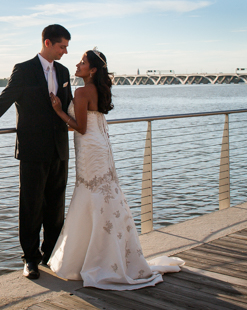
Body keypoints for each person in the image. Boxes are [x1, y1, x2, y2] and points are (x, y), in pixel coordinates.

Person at [48, 49, 183, 290]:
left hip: (89, 148)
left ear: (92, 70)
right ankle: (110, 255)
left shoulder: (81, 91)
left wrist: (58, 110)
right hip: (101, 146)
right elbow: (89, 122)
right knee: (104, 194)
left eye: (82, 62)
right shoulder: (99, 90)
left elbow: (80, 127)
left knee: (90, 193)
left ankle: (90, 259)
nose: (77, 65)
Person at [0, 24, 72, 279]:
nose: (65, 52)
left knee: (56, 209)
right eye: (62, 46)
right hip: (33, 150)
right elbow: (4, 100)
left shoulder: (63, 71)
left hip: (60, 150)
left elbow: (67, 108)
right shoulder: (24, 69)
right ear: (47, 43)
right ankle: (30, 259)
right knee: (31, 206)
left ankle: (51, 254)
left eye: (66, 47)